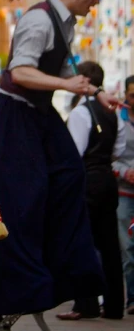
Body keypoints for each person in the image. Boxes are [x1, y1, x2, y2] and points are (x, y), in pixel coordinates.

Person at [0, 0, 118, 321]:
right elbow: (20, 72)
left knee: (71, 174)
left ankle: (65, 274)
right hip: (16, 113)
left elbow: (63, 73)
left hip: (40, 114)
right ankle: (19, 289)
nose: (95, 2)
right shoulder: (39, 20)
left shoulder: (66, 25)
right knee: (25, 195)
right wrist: (66, 87)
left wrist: (97, 92)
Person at [57, 61, 125, 320]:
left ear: (83, 82)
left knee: (81, 241)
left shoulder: (80, 113)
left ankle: (84, 305)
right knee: (109, 245)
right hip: (108, 179)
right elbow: (118, 150)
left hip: (86, 181)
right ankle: (115, 305)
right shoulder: (113, 111)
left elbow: (74, 152)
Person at [114, 74, 134, 315]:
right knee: (127, 248)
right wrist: (124, 171)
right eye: (132, 95)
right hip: (123, 193)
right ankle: (131, 299)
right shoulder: (117, 120)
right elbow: (109, 157)